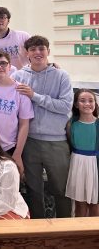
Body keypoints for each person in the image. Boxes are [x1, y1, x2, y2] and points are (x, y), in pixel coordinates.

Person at [11, 35, 73, 218]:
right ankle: (37, 230)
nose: (38, 53)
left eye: (41, 49)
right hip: (29, 141)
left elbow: (65, 106)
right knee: (33, 190)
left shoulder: (61, 75)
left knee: (61, 189)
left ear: (48, 51)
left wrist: (34, 96)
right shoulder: (18, 76)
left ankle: (66, 230)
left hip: (56, 142)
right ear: (27, 53)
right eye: (33, 49)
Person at [65, 89, 99, 217]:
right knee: (80, 203)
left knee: (95, 203)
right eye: (82, 100)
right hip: (77, 164)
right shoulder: (71, 124)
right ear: (76, 104)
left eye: (91, 101)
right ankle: (80, 233)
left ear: (95, 103)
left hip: (95, 165)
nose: (87, 104)